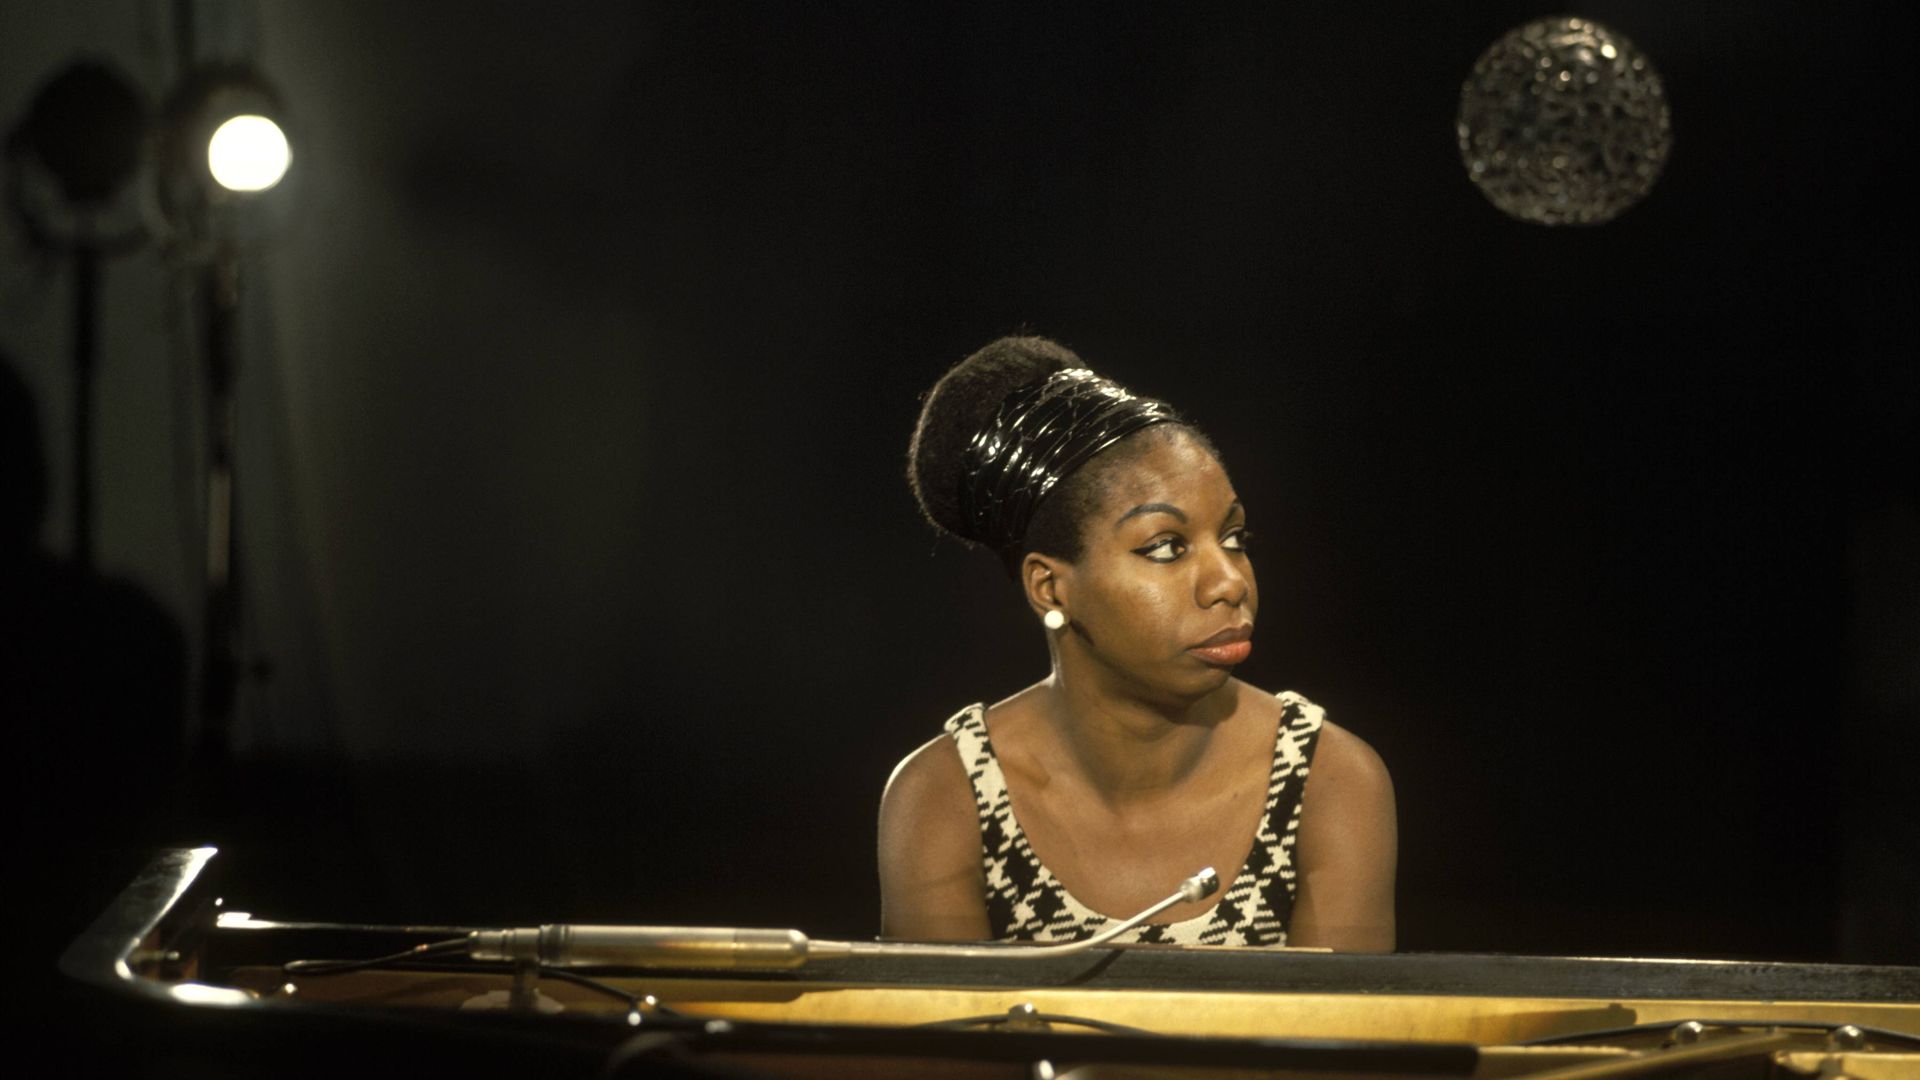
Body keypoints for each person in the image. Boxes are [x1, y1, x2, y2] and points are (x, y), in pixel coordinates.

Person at [878, 336, 1396, 951]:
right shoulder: (947, 796)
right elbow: (951, 1045)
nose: (1230, 582)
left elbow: (1338, 1045)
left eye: (1233, 537)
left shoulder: (1327, 781)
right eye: (1166, 547)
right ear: (1050, 588)